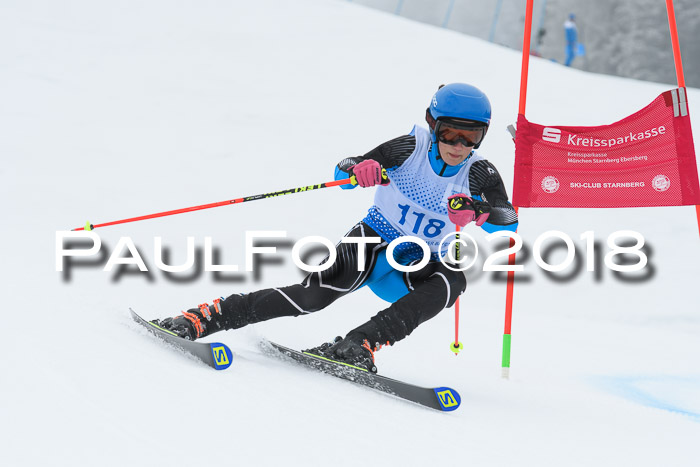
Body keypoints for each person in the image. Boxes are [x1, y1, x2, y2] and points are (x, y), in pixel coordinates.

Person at [154, 83, 519, 372]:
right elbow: (344, 170)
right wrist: (358, 170)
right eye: (450, 132)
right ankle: (203, 318)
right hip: (374, 241)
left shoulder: (479, 173)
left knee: (453, 281)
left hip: (420, 264)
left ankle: (358, 344)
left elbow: (509, 220)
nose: (459, 145)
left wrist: (478, 212)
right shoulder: (409, 148)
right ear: (432, 123)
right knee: (312, 298)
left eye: (471, 137)